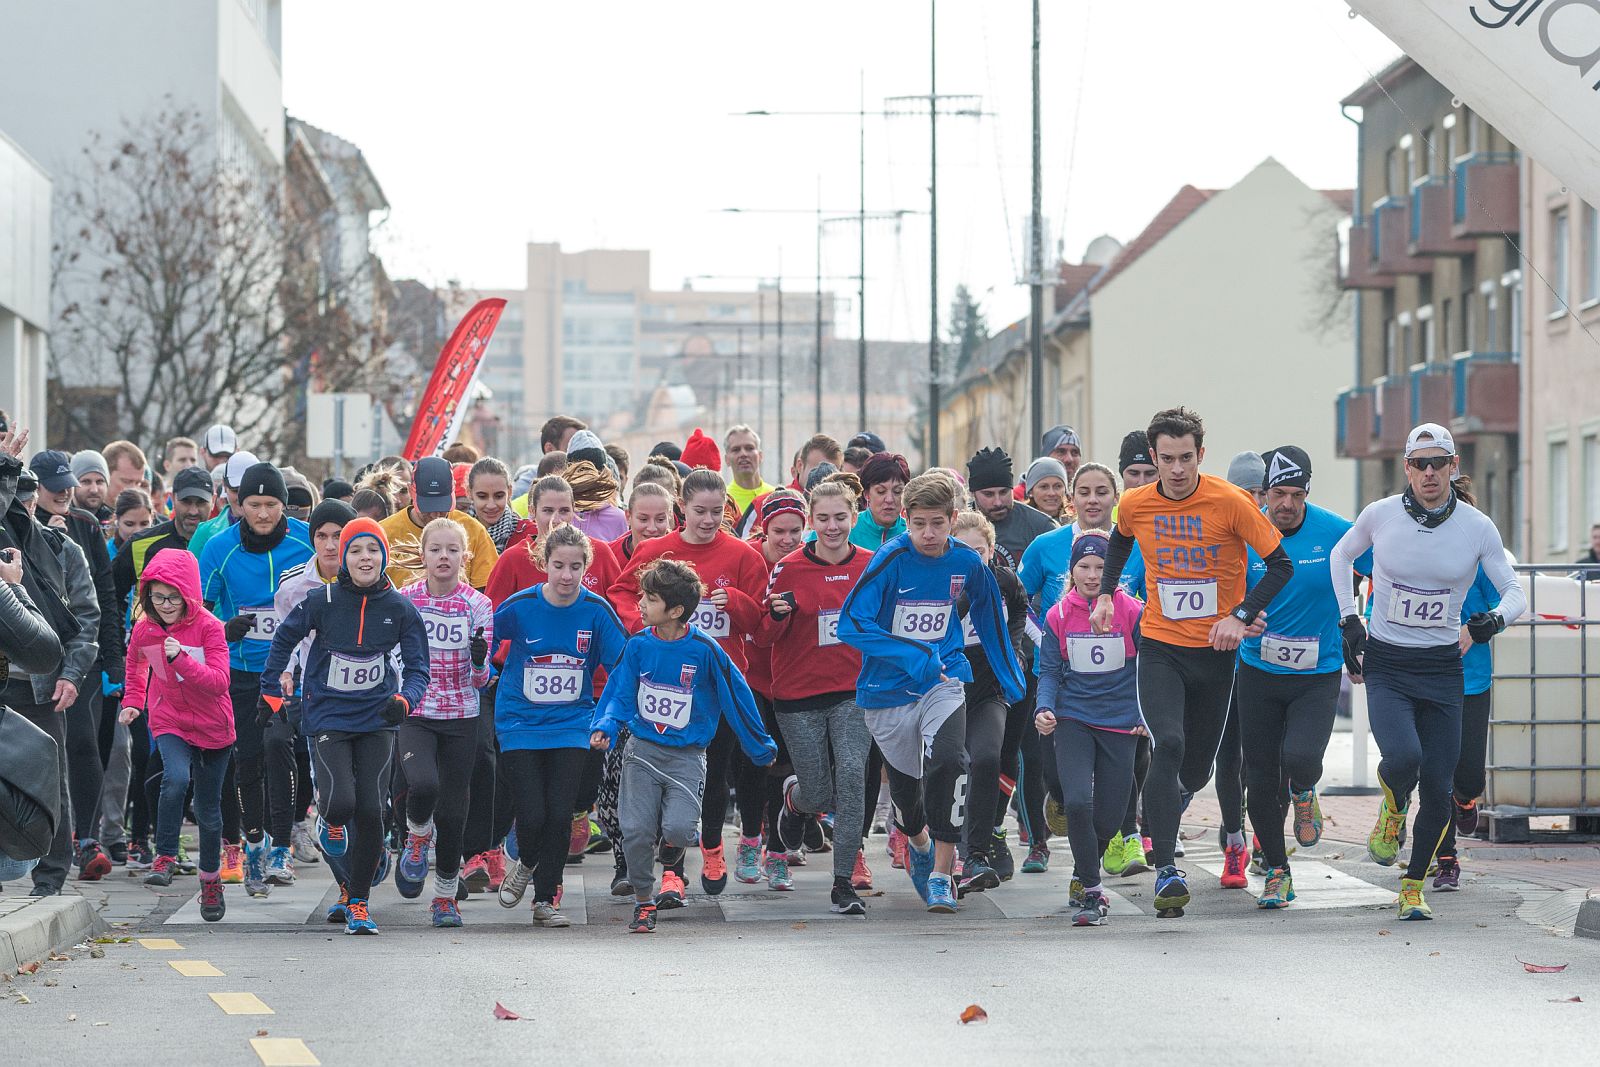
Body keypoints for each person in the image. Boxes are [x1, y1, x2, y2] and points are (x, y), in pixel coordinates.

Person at [1092, 407, 1293, 917]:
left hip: (1217, 652)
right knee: (1169, 743)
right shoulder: (1136, 503)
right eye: (1166, 459)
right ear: (1154, 458)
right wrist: (1106, 596)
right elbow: (1119, 540)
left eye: (1186, 458)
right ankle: (1165, 871)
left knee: (1196, 768)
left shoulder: (1231, 501)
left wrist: (1242, 614)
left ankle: (1160, 803)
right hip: (1160, 646)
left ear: (1200, 455)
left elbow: (1280, 564)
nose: (1176, 469)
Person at [1330, 423, 1524, 920]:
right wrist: (1349, 619)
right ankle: (1393, 808)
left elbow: (1516, 592)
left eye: (1440, 462)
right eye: (1420, 463)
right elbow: (1340, 555)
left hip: (1442, 668)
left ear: (1454, 467)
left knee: (1439, 784)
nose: (1430, 472)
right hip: (1390, 662)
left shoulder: (1478, 528)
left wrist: (1492, 621)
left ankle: (1413, 885)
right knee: (1404, 757)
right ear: (1407, 469)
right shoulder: (1381, 516)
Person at [839, 472, 1025, 912]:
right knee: (908, 798)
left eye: (937, 523)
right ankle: (918, 842)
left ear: (952, 519)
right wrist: (911, 655)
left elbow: (990, 613)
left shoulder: (966, 562)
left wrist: (1009, 676)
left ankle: (944, 871)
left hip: (944, 678)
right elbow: (852, 624)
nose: (928, 533)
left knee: (950, 760)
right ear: (905, 519)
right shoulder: (890, 559)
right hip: (887, 691)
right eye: (919, 523)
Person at [608, 468, 769, 906]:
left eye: (717, 512)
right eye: (700, 511)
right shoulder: (658, 551)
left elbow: (759, 622)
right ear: (682, 507)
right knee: (665, 775)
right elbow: (621, 593)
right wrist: (643, 628)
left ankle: (713, 847)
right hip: (663, 683)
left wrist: (734, 601)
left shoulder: (742, 555)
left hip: (715, 686)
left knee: (711, 774)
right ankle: (673, 873)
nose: (708, 520)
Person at [590, 558, 776, 933]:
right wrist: (606, 724)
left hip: (687, 757)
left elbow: (737, 696)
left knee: (679, 831)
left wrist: (759, 744)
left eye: (650, 598)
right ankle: (644, 901)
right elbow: (620, 691)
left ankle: (671, 848)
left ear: (675, 610)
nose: (640, 603)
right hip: (641, 752)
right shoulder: (638, 646)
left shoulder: (705, 650)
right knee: (636, 833)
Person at [262, 518, 429, 935]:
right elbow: (283, 639)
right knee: (341, 803)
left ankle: (358, 903)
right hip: (329, 715)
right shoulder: (323, 600)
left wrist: (405, 700)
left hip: (377, 717)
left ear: (384, 556)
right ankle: (328, 821)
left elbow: (418, 666)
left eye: (372, 550)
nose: (364, 558)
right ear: (344, 558)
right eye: (355, 550)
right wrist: (271, 691)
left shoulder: (400, 608)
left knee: (373, 810)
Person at [1236, 445, 1370, 908]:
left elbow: (1379, 572)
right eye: (1278, 494)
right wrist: (1239, 618)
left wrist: (1359, 621)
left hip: (1317, 672)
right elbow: (1223, 586)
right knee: (1258, 776)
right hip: (1256, 670)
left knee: (1299, 759)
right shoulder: (1246, 530)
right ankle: (1277, 870)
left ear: (1307, 492)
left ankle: (1304, 788)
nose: (1286, 504)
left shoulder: (1336, 531)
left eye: (1296, 494)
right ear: (1264, 494)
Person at [494, 524, 627, 927]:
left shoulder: (595, 611)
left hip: (572, 724)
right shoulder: (520, 607)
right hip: (519, 722)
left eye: (575, 567)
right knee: (533, 814)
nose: (566, 576)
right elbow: (479, 640)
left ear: (586, 567)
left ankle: (545, 900)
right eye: (558, 566)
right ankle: (527, 861)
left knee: (561, 815)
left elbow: (622, 668)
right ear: (544, 565)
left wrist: (608, 718)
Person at [757, 478, 875, 913]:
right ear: (810, 520)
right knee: (819, 794)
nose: (831, 527)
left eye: (840, 518)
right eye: (822, 519)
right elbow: (763, 635)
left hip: (853, 691)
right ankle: (795, 799)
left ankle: (842, 883)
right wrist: (774, 615)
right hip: (798, 694)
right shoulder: (788, 568)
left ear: (853, 517)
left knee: (851, 778)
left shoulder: (871, 564)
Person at [199, 462, 313, 894]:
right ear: (238, 504)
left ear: (284, 505)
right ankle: (253, 843)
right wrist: (224, 627)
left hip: (289, 670)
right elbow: (200, 612)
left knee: (280, 746)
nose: (263, 514)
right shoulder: (219, 548)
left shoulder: (305, 542)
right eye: (254, 505)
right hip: (241, 669)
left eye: (271, 504)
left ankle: (281, 847)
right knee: (246, 758)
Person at [0, 430, 102, 897]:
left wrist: (71, 674)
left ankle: (52, 875)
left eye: (26, 500)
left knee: (51, 775)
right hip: (5, 681)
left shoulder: (65, 550)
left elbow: (87, 618)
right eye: (12, 500)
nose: (20, 509)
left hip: (43, 682)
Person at [1035, 533, 1146, 927]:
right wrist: (1044, 707)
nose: (1093, 574)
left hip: (1120, 722)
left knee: (1109, 819)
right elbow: (1049, 670)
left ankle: (1085, 871)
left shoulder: (1132, 611)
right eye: (1084, 566)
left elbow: (1147, 670)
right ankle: (1092, 891)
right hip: (1073, 719)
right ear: (1072, 570)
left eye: (1101, 567)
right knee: (1079, 802)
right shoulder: (1059, 615)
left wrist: (1144, 715)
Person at [118, 550, 232, 921]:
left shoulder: (209, 627)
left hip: (213, 725)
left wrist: (180, 657)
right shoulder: (145, 628)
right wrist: (133, 701)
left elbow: (219, 683)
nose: (165, 605)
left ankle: (210, 880)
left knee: (207, 809)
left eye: (173, 597)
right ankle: (164, 854)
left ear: (189, 594)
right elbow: (135, 666)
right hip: (170, 718)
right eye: (157, 596)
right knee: (175, 778)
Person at [394, 518, 495, 926]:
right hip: (417, 710)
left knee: (454, 813)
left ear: (464, 557)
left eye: (452, 550)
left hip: (461, 714)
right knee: (423, 784)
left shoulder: (478, 605)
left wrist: (477, 660)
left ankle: (445, 898)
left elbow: (483, 679)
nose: (443, 557)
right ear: (423, 555)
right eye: (436, 549)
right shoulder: (405, 600)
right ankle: (417, 833)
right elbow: (394, 658)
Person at [30, 449, 124, 882]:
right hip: (26, 658)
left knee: (84, 743)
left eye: (70, 484)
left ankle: (86, 841)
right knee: (40, 749)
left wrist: (113, 662)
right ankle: (39, 844)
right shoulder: (19, 528)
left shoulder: (84, 527)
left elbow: (101, 600)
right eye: (56, 488)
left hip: (77, 657)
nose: (67, 493)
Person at [274, 499, 358, 868]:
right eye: (321, 536)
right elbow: (284, 635)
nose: (329, 545)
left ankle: (369, 841)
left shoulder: (369, 577)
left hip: (362, 691)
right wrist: (287, 672)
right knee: (325, 776)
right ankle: (337, 842)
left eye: (338, 536)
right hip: (315, 691)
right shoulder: (294, 583)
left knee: (364, 781)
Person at [949, 511, 1028, 897]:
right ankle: (936, 845)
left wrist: (1011, 658)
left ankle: (976, 854)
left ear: (991, 550)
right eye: (962, 550)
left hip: (988, 689)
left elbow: (1018, 619)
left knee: (985, 758)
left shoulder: (1006, 582)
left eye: (978, 551)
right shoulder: (941, 582)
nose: (971, 558)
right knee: (950, 766)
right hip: (945, 689)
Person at [1432, 481, 1502, 892]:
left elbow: (1502, 601)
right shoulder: (1414, 553)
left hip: (1471, 680)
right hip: (1428, 678)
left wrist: (1482, 625)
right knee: (1436, 773)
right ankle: (1446, 860)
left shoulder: (1478, 555)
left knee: (1468, 774)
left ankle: (1467, 797)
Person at [739, 492, 809, 891]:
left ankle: (777, 853)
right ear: (763, 529)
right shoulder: (749, 558)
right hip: (753, 673)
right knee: (754, 762)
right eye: (779, 531)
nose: (787, 539)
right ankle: (750, 839)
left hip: (794, 675)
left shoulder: (807, 559)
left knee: (787, 768)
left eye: (795, 531)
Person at [1211, 449, 1270, 886]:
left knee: (1265, 762)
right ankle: (1235, 842)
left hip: (1270, 670)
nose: (1251, 499)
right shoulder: (1216, 529)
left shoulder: (1276, 537)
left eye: (1257, 491)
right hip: (1222, 666)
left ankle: (1265, 836)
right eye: (1242, 491)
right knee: (1227, 760)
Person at [380, 456, 498, 591]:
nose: (435, 515)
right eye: (427, 507)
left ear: (453, 489)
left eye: (442, 507)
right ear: (410, 490)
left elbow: (487, 591)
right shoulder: (384, 533)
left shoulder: (474, 531)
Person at [188, 451, 258, 563]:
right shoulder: (204, 532)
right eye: (235, 491)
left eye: (248, 490)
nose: (242, 497)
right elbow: (189, 577)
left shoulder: (281, 529)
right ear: (224, 487)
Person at [468, 457, 530, 552]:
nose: (491, 505)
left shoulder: (529, 536)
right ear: (469, 493)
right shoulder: (456, 536)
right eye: (482, 496)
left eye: (499, 496)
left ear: (509, 492)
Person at [851, 452, 909, 549]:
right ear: (866, 494)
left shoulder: (912, 532)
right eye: (881, 491)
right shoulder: (848, 529)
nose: (889, 499)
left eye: (898, 491)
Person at [725, 425, 774, 517]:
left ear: (760, 456)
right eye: (736, 450)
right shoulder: (723, 501)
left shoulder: (776, 496)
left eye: (749, 448)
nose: (743, 454)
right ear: (727, 459)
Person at [70, 450, 113, 531]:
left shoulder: (116, 523)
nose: (94, 490)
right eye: (86, 482)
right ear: (73, 484)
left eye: (99, 482)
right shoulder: (62, 522)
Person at [1023, 457, 1070, 524]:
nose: (1052, 493)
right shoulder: (1020, 523)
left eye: (1058, 486)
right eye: (1044, 487)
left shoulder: (1076, 524)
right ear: (1031, 491)